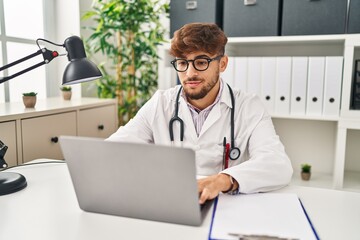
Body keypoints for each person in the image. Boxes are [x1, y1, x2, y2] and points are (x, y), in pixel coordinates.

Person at [107, 22, 293, 204]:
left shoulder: (248, 106)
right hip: (173, 203)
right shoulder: (161, 103)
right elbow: (111, 151)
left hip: (227, 205)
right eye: (182, 63)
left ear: (222, 64)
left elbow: (278, 165)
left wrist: (223, 180)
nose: (189, 73)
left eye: (201, 62)